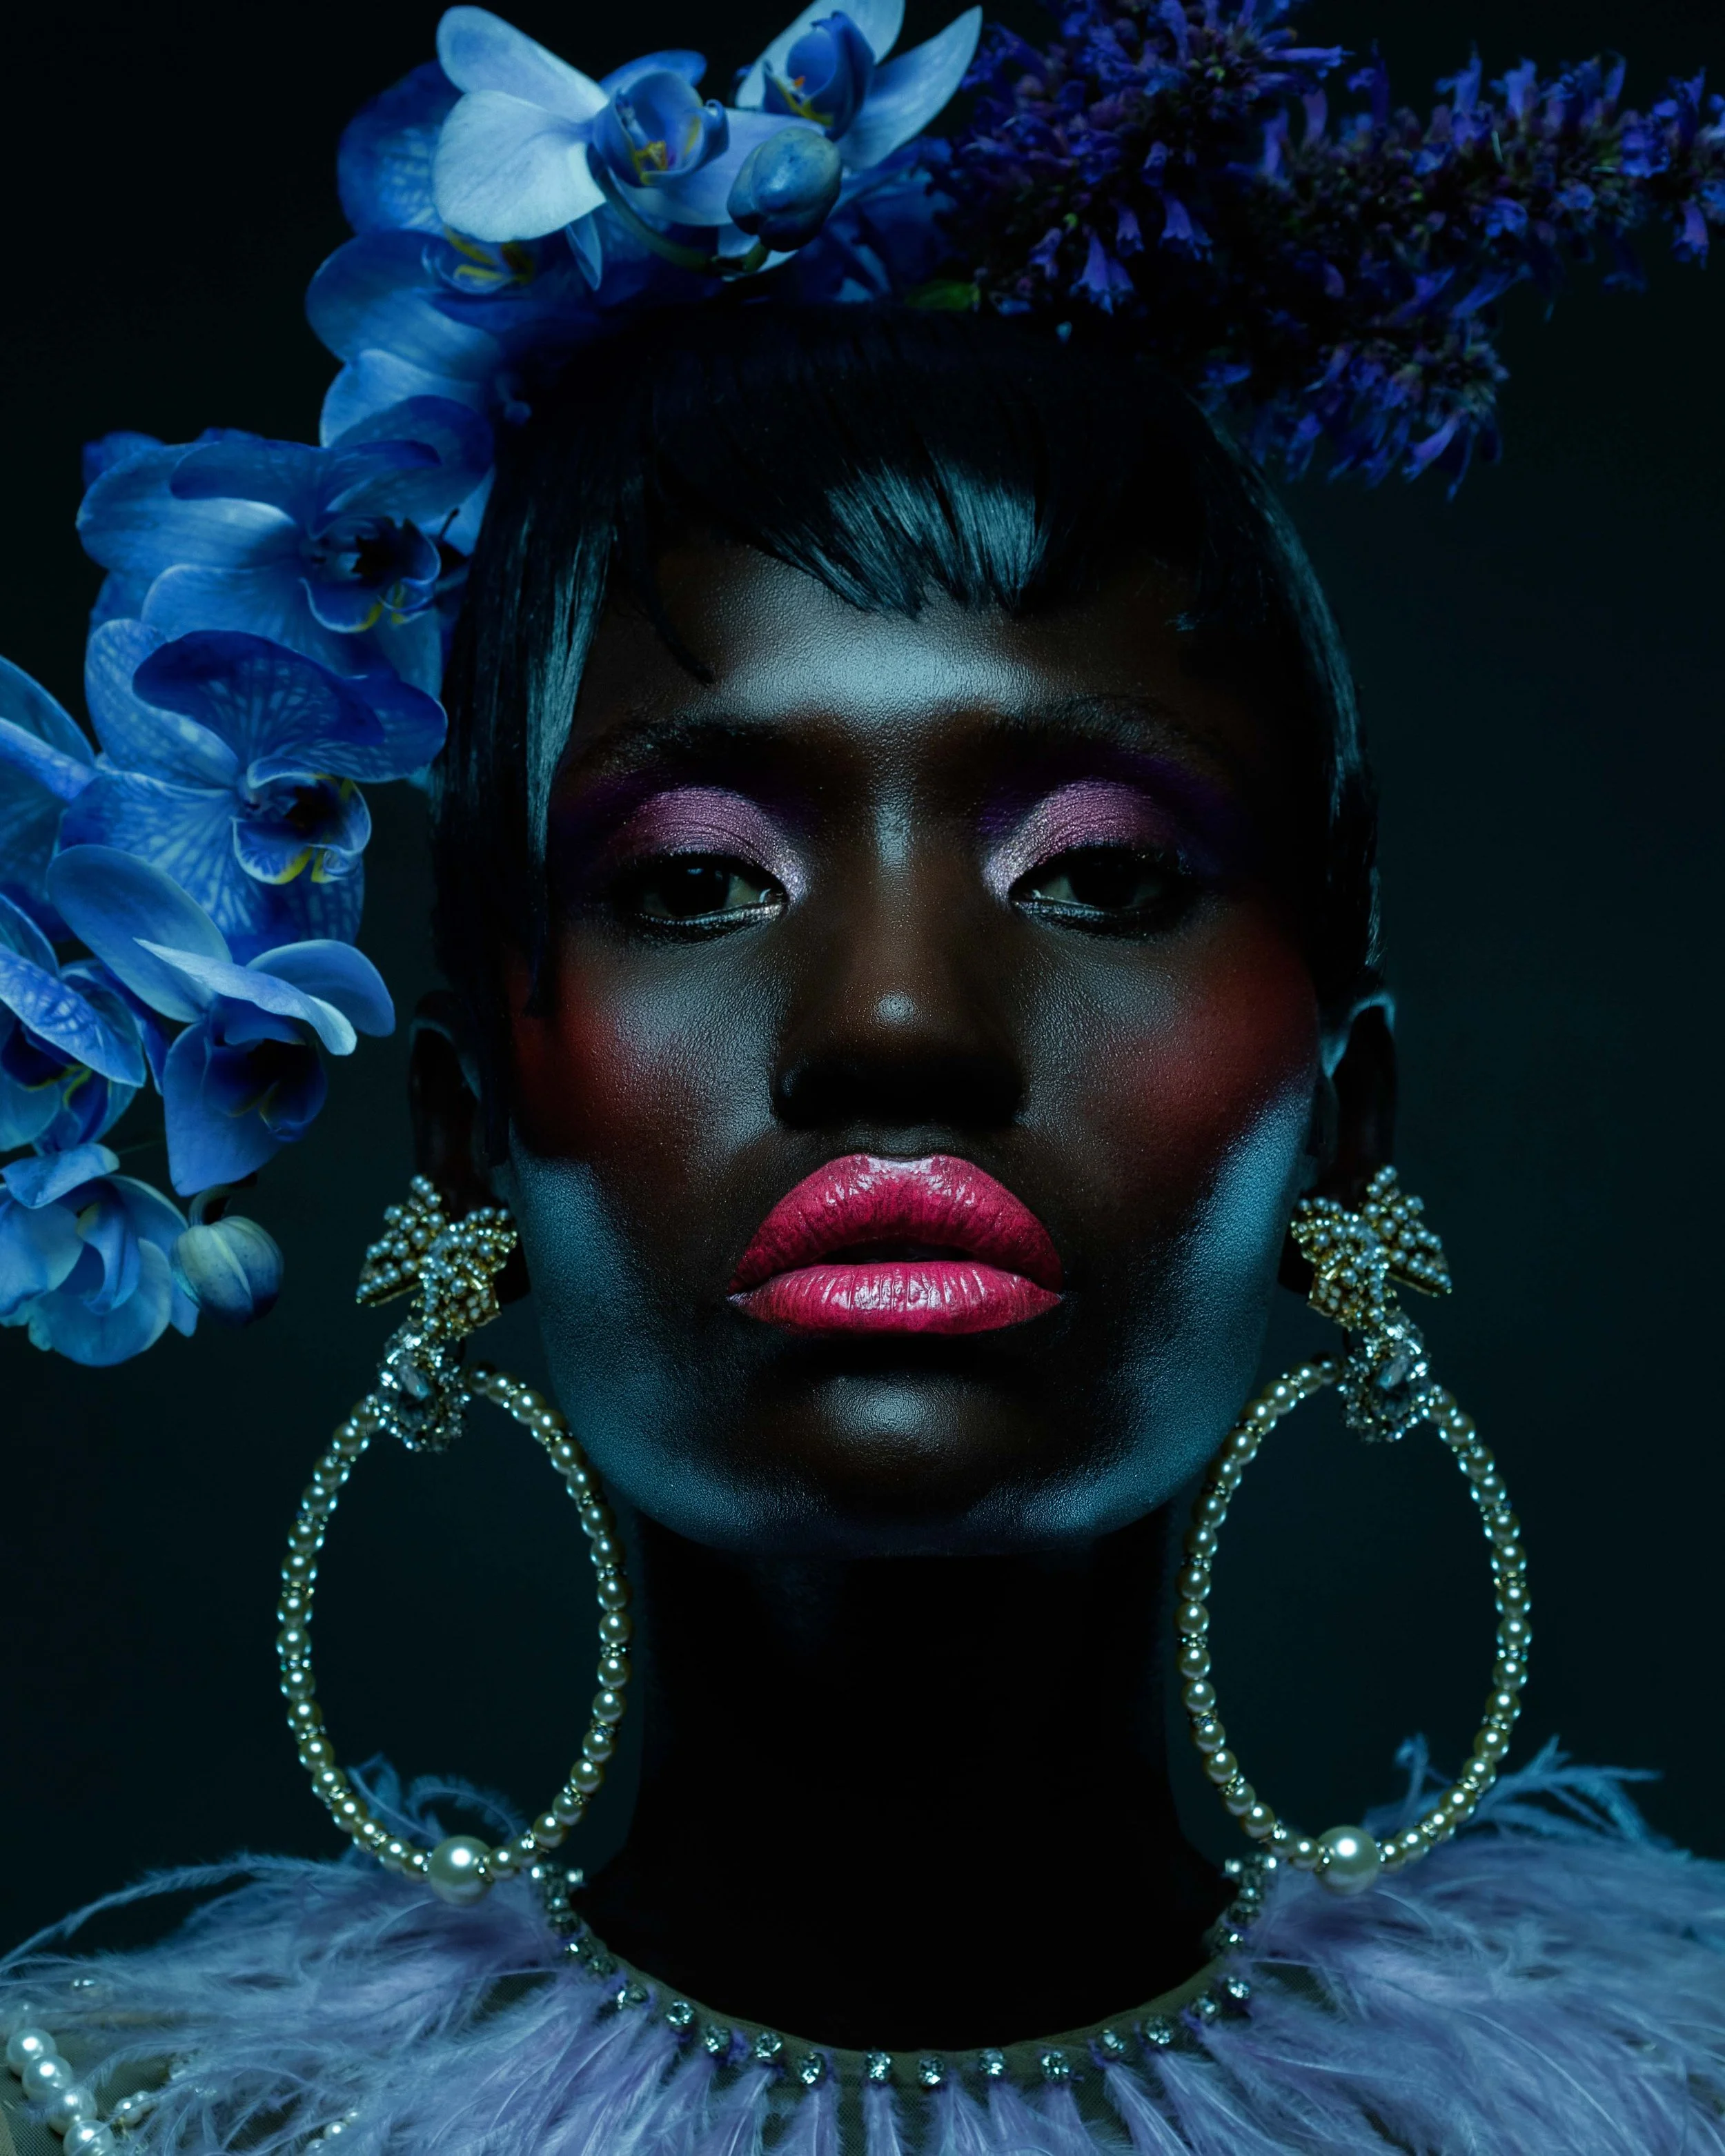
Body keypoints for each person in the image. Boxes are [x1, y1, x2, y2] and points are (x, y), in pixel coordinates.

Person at [2, 8, 1722, 2153]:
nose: (895, 1019)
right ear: (462, 1135)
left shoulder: (1655, 2107)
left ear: (1345, 1117)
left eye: (1093, 876)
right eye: (703, 882)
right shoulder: (108, 2121)